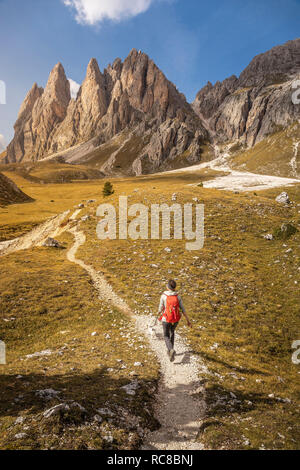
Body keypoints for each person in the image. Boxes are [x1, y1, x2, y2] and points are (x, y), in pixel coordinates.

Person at [157, 280, 192, 362]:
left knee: (166, 335)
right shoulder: (177, 296)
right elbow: (182, 309)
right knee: (172, 332)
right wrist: (188, 321)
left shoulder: (164, 296)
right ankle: (170, 352)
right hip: (176, 319)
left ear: (168, 287)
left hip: (166, 318)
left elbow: (160, 308)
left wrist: (158, 313)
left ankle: (171, 349)